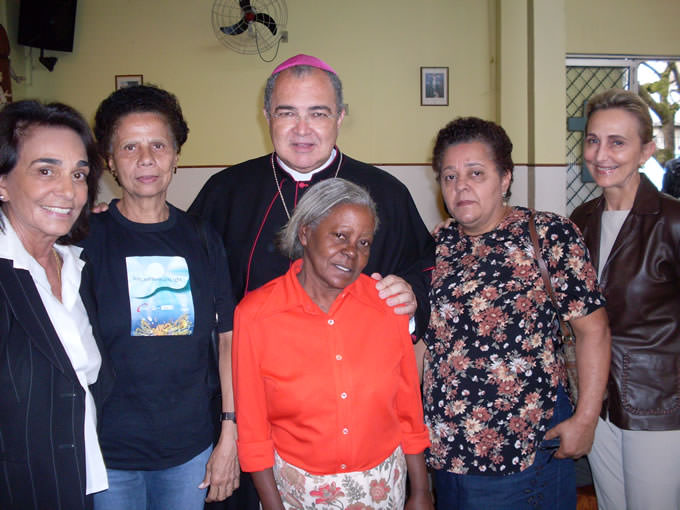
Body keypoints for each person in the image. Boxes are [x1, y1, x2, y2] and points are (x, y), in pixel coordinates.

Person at [423, 117, 611, 510]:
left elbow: (593, 331)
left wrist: (586, 419)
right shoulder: (438, 244)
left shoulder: (547, 234)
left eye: (476, 173)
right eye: (450, 176)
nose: (461, 186)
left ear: (505, 178)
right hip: (447, 449)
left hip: (526, 447)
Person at [189, 53, 433, 334]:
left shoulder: (387, 193)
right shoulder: (226, 191)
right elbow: (192, 274)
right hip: (252, 354)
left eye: (318, 114)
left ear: (339, 118)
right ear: (268, 117)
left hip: (355, 355)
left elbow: (421, 270)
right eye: (287, 113)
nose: (302, 130)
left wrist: (409, 298)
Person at [233, 178, 433, 510]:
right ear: (305, 233)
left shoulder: (387, 306)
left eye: (364, 242)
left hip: (383, 485)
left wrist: (422, 491)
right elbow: (254, 430)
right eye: (340, 235)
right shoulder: (255, 315)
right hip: (297, 491)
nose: (352, 252)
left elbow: (408, 408)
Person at [83, 85, 238, 510]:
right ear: (110, 160)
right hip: (107, 450)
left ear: (175, 155)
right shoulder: (86, 239)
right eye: (129, 147)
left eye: (158, 145)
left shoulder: (202, 238)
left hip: (188, 450)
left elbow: (228, 338)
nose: (146, 158)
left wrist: (229, 430)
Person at [570, 89, 680, 510]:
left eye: (617, 142)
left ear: (646, 151)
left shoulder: (672, 221)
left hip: (659, 406)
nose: (601, 155)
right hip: (598, 400)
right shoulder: (582, 220)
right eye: (593, 140)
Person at [0, 100, 111, 509]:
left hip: (78, 484)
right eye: (46, 171)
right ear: (3, 182)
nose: (68, 191)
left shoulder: (77, 267)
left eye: (78, 174)